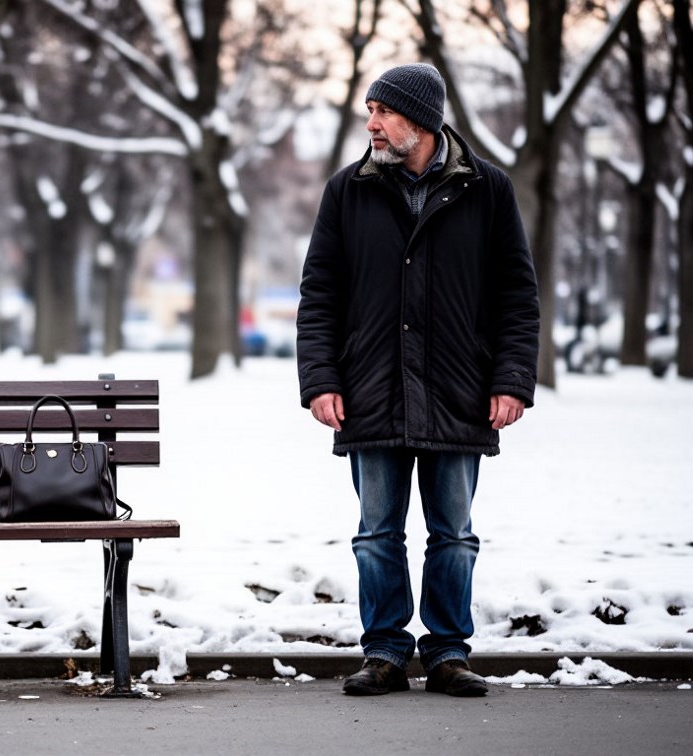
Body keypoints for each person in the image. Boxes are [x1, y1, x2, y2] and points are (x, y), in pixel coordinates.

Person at [296, 63, 540, 698]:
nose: (372, 124)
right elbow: (319, 294)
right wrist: (320, 378)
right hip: (369, 389)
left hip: (459, 392)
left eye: (383, 111)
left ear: (422, 121)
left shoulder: (487, 190)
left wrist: (512, 378)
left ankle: (447, 652)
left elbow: (517, 294)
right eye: (369, 112)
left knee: (453, 534)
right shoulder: (346, 191)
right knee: (376, 533)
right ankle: (383, 651)